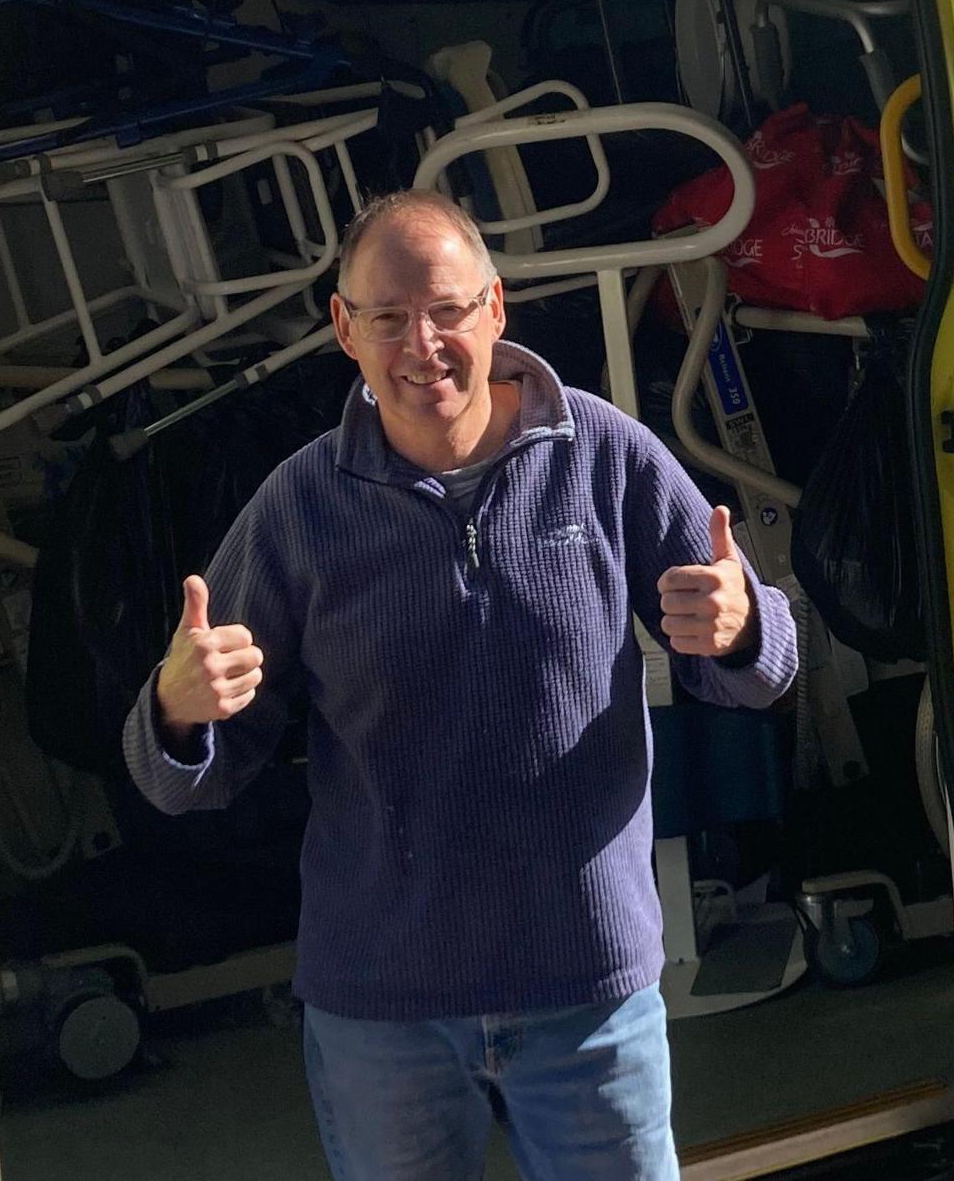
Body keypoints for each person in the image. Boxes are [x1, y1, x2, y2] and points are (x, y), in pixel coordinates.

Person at [123, 189, 798, 1181]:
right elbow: (183, 779)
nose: (421, 344)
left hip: (588, 992)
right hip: (382, 1009)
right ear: (343, 330)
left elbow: (764, 669)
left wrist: (742, 628)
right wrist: (177, 711)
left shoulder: (604, 457)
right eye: (388, 318)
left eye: (445, 311)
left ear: (495, 308)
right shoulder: (300, 507)